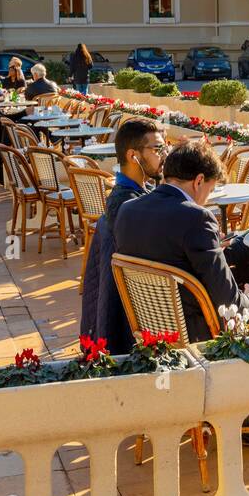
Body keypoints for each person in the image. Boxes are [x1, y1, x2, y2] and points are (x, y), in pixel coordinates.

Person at [113, 141, 249, 344]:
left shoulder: (127, 211)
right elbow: (229, 302)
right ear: (198, 181)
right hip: (198, 332)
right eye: (211, 189)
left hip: (149, 330)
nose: (207, 198)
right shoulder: (197, 217)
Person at [81, 118, 168, 351]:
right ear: (133, 156)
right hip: (132, 328)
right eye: (157, 149)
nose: (163, 155)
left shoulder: (127, 196)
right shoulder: (130, 207)